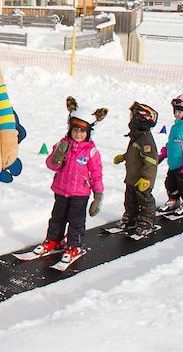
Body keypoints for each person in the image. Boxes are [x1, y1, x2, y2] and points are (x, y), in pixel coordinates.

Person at [33, 97, 105, 257]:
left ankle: (74, 245)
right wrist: (58, 156)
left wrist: (98, 196)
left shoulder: (91, 152)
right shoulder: (62, 144)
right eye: (75, 130)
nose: (78, 134)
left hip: (80, 194)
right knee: (57, 218)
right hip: (61, 190)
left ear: (88, 133)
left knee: (76, 221)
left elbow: (97, 174)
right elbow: (51, 165)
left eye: (82, 131)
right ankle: (54, 240)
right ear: (70, 129)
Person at [113, 102, 160, 236]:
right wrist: (124, 157)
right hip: (132, 176)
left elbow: (151, 161)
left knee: (145, 198)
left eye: (132, 115)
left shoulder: (145, 139)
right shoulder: (137, 136)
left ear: (140, 119)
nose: (130, 118)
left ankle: (147, 219)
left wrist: (146, 179)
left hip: (143, 178)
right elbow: (135, 153)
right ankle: (131, 215)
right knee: (129, 197)